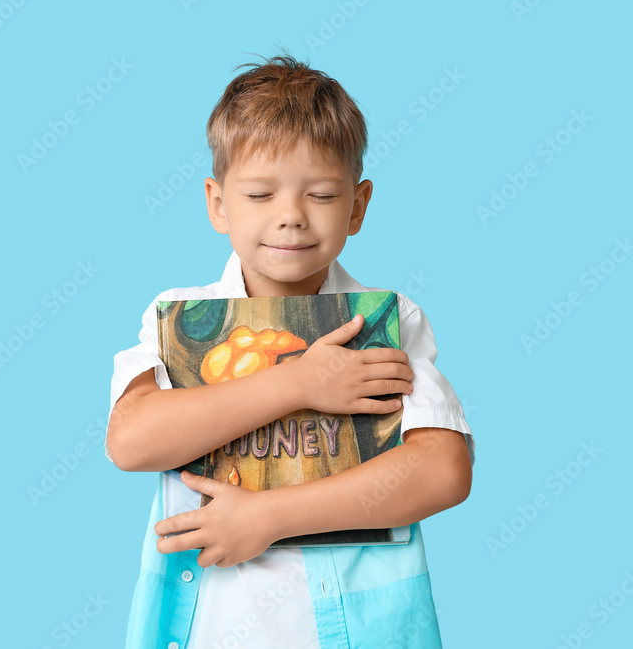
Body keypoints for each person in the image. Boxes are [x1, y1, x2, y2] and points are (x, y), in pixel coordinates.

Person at [106, 53, 474, 649]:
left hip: (357, 627)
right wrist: (298, 382)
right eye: (259, 194)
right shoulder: (178, 317)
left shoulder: (385, 321)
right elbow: (131, 441)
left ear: (357, 206)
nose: (290, 218)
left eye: (322, 195)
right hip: (207, 627)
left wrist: (269, 518)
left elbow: (444, 469)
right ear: (218, 203)